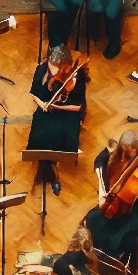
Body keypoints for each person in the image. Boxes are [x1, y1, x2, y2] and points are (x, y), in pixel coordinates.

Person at [84, 129, 138, 264]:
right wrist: (104, 190)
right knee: (92, 219)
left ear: (135, 146)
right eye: (122, 149)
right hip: (115, 202)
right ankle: (99, 249)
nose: (124, 155)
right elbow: (99, 161)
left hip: (133, 208)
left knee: (119, 236)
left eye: (127, 151)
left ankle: (114, 258)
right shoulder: (118, 155)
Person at [27, 45, 88, 195]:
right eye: (50, 65)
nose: (51, 71)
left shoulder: (76, 77)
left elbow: (78, 106)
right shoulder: (42, 69)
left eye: (55, 68)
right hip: (47, 107)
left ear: (65, 66)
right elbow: (34, 92)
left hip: (67, 111)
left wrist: (58, 107)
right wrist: (43, 105)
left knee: (59, 133)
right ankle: (48, 161)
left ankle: (52, 171)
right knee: (39, 126)